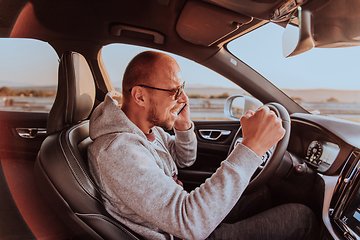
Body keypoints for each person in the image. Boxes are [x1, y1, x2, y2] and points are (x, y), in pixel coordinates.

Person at [88, 51, 318, 240]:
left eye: (183, 88)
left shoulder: (148, 130)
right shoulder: (119, 151)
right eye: (174, 91)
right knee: (301, 217)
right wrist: (252, 147)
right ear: (139, 96)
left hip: (179, 219)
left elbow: (183, 160)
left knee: (261, 194)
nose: (184, 98)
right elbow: (191, 224)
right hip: (182, 232)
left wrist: (183, 126)